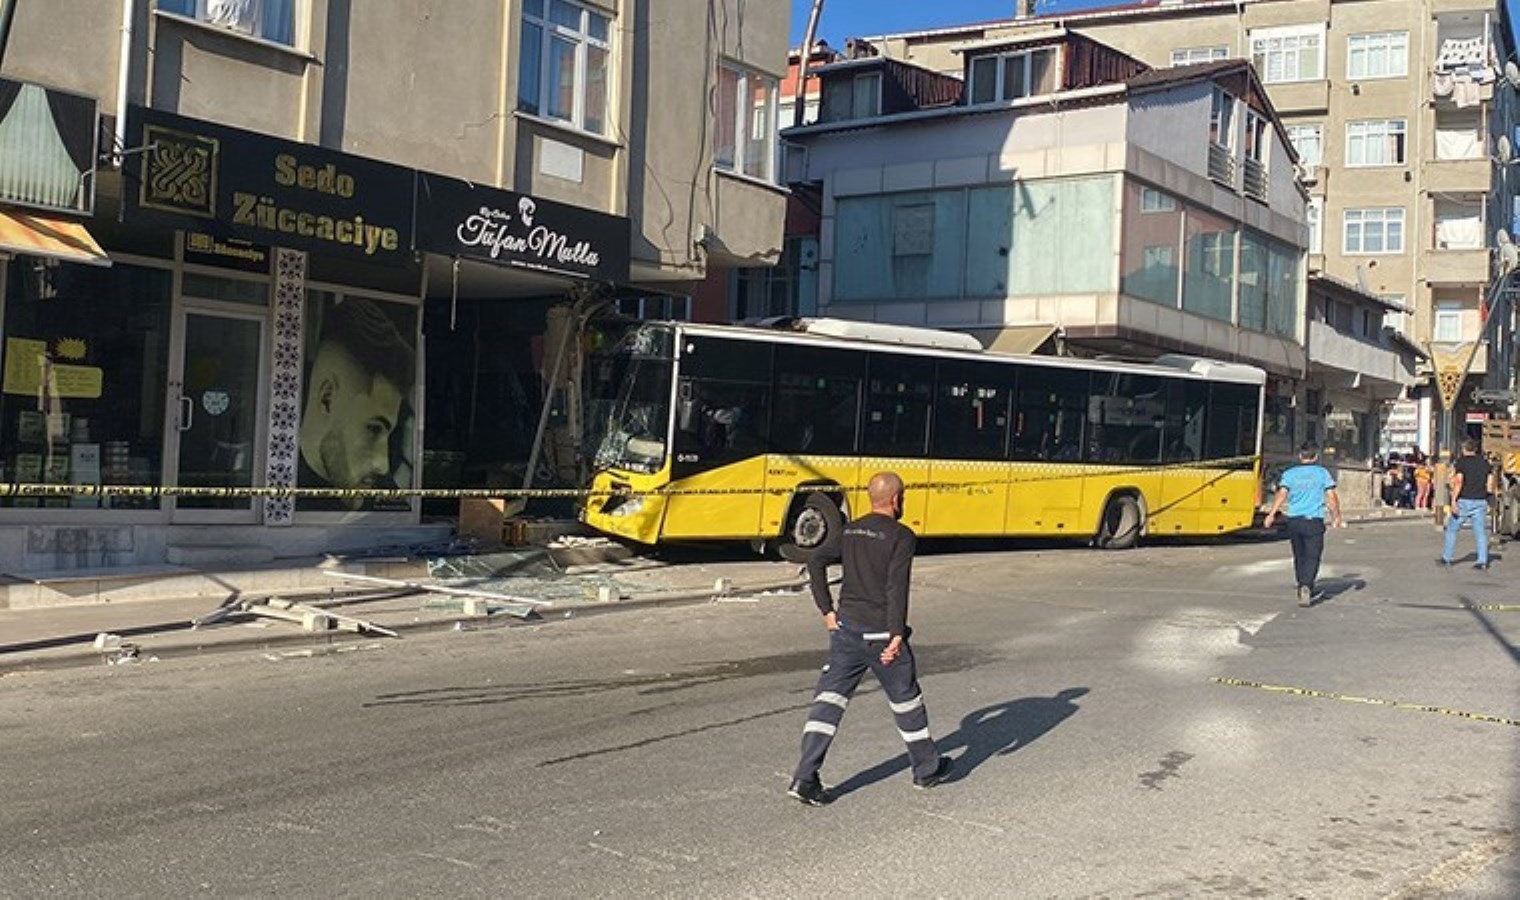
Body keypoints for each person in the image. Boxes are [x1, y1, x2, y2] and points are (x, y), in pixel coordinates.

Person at [787, 472, 952, 806]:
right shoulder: (901, 536)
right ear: (896, 499)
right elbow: (896, 586)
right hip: (880, 635)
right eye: (902, 497)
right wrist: (895, 635)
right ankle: (926, 770)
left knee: (828, 701)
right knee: (906, 700)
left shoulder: (849, 530)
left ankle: (805, 777)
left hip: (846, 631)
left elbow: (816, 559)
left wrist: (826, 610)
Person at [298, 297, 416, 511]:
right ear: (327, 399)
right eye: (373, 429)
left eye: (389, 434)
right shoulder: (279, 486)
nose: (383, 465)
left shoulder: (384, 495)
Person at [1263, 443, 1344, 607]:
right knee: (1313, 555)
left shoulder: (1290, 474)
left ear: (1300, 456)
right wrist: (1337, 517)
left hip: (1293, 520)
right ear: (1316, 457)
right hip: (1313, 520)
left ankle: (1302, 584)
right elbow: (1331, 496)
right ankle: (1307, 584)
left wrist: (1271, 514)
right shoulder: (1322, 473)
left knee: (1299, 555)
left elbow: (1282, 494)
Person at [1439, 438, 1495, 571]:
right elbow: (1490, 483)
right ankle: (1482, 561)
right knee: (1480, 532)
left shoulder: (1461, 462)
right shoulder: (1485, 463)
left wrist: (1453, 501)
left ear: (1463, 449)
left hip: (1464, 500)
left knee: (1452, 529)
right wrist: (1489, 498)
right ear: (1475, 449)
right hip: (1480, 501)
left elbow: (1459, 482)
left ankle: (1447, 557)